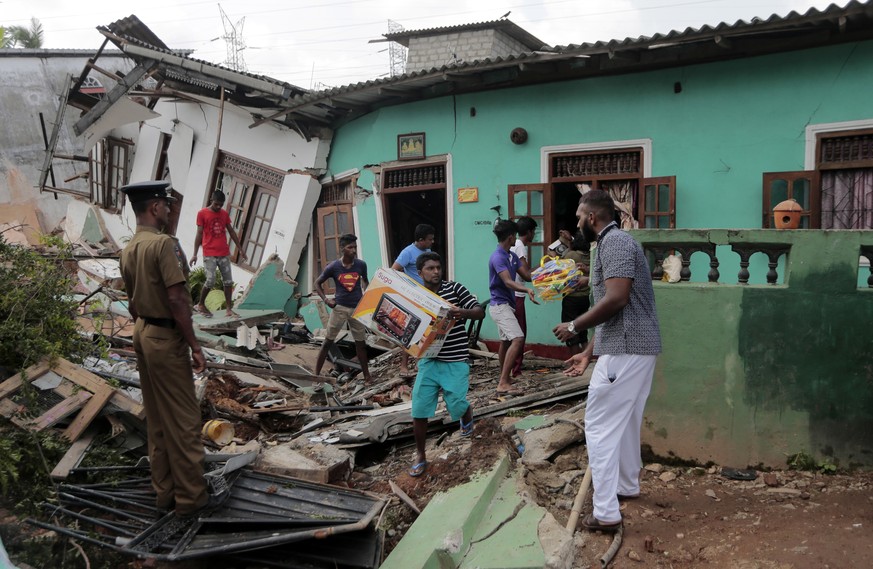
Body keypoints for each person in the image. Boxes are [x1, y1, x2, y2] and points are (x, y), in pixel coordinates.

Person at [553, 190, 661, 534]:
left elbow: (617, 299)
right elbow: (617, 307)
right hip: (635, 348)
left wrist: (574, 325)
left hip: (628, 349)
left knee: (598, 427)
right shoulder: (614, 243)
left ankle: (606, 512)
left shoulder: (613, 243)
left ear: (592, 218)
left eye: (579, 218)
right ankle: (626, 485)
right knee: (627, 421)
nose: (576, 224)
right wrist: (588, 353)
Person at [119, 180, 221, 518]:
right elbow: (178, 298)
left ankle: (164, 493)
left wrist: (144, 325)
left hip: (142, 331)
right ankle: (192, 500)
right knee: (184, 419)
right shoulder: (164, 245)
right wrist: (195, 346)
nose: (168, 209)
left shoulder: (131, 247)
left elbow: (132, 301)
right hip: (164, 336)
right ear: (153, 208)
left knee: (158, 417)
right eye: (165, 205)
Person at [408, 252, 485, 477]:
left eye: (438, 267)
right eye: (430, 268)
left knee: (457, 404)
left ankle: (466, 413)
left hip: (455, 359)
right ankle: (421, 454)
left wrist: (462, 312)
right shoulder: (417, 295)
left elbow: (479, 312)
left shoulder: (455, 289)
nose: (436, 272)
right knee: (419, 410)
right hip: (429, 362)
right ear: (420, 272)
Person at [313, 233, 372, 382]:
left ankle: (367, 376)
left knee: (361, 344)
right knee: (327, 342)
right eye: (350, 247)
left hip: (357, 309)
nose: (353, 250)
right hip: (339, 308)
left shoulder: (361, 265)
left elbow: (365, 281)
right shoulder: (333, 267)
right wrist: (326, 300)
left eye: (355, 247)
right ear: (342, 249)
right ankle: (316, 375)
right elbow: (317, 284)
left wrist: (366, 293)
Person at [488, 219, 537, 396]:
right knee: (518, 338)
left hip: (506, 305)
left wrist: (549, 268)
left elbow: (527, 275)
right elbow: (508, 282)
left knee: (506, 341)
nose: (516, 238)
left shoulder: (511, 256)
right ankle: (503, 382)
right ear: (510, 237)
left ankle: (505, 378)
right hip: (499, 306)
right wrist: (525, 289)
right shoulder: (498, 257)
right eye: (515, 236)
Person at [189, 190, 247, 318]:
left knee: (228, 281)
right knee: (210, 280)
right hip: (209, 253)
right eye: (216, 204)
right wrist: (194, 254)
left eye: (221, 205)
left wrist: (240, 249)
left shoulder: (224, 214)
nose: (218, 207)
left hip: (223, 253)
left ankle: (228, 310)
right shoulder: (202, 213)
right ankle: (200, 304)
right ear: (211, 200)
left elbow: (231, 232)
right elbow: (199, 234)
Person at [391, 223, 436, 379]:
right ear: (421, 240)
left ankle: (421, 362)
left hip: (428, 297)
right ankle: (403, 365)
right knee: (410, 330)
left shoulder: (427, 251)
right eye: (430, 239)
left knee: (426, 330)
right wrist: (408, 288)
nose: (432, 242)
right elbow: (394, 270)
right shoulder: (407, 252)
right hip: (414, 298)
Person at [510, 216, 537, 377]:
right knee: (520, 333)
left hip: (512, 293)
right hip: (517, 294)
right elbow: (527, 275)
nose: (535, 234)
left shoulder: (515, 245)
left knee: (512, 334)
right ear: (529, 232)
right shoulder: (520, 246)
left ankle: (511, 368)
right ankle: (515, 370)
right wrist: (545, 266)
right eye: (534, 231)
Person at [561, 232, 591, 355]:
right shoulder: (592, 255)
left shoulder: (571, 255)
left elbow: (561, 265)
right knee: (583, 330)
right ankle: (585, 357)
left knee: (570, 331)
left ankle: (574, 361)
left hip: (572, 298)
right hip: (586, 297)